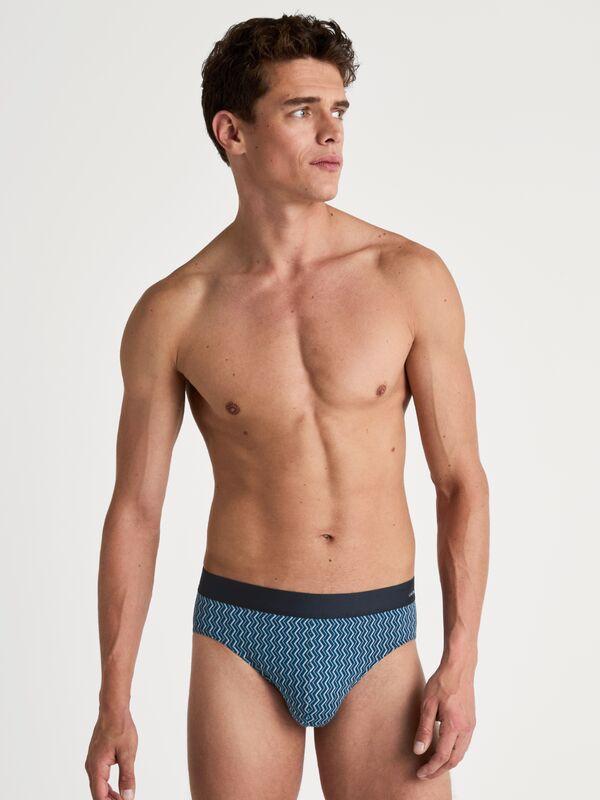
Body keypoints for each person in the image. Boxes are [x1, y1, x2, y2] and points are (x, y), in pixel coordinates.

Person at [85, 14, 489, 800]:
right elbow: (135, 509)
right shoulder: (176, 311)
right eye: (301, 111)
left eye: (338, 110)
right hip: (240, 635)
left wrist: (462, 659)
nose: (331, 132)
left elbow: (461, 481)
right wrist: (114, 700)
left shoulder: (408, 278)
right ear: (232, 132)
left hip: (379, 636)